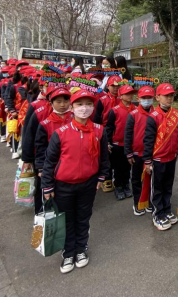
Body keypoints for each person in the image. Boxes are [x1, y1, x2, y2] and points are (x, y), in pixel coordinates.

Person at [42, 89, 109, 274]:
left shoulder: (99, 130)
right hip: (63, 186)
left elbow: (104, 157)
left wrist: (102, 177)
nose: (84, 108)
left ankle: (81, 249)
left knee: (83, 218)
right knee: (67, 220)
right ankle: (68, 253)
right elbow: (50, 161)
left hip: (88, 184)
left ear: (93, 107)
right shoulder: (60, 133)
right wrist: (47, 185)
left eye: (88, 104)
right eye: (80, 104)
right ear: (72, 107)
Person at [143, 83, 178, 231]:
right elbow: (148, 141)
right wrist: (147, 161)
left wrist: (177, 152)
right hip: (158, 160)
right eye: (166, 96)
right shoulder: (153, 117)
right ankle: (157, 213)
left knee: (168, 186)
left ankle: (166, 209)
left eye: (171, 95)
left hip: (171, 158)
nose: (169, 98)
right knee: (157, 188)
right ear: (157, 97)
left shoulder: (176, 116)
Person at [32, 87, 73, 215]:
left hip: (69, 164)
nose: (62, 105)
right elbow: (40, 147)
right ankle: (42, 215)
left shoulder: (75, 119)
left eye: (65, 101)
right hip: (50, 165)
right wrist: (40, 167)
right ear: (51, 103)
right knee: (46, 193)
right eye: (58, 101)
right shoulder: (45, 124)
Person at [124, 86, 155, 215]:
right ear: (139, 99)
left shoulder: (156, 114)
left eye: (149, 98)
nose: (146, 100)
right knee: (137, 179)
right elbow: (128, 135)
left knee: (151, 180)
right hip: (137, 154)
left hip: (152, 154)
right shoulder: (133, 115)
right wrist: (128, 152)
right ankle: (138, 203)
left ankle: (149, 201)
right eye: (144, 98)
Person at [103, 85, 137, 200]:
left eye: (131, 93)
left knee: (128, 167)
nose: (130, 96)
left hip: (131, 144)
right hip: (117, 144)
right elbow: (109, 127)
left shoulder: (136, 109)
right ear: (121, 96)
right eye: (127, 94)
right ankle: (118, 186)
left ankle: (126, 185)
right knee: (118, 167)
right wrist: (108, 142)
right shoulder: (115, 110)